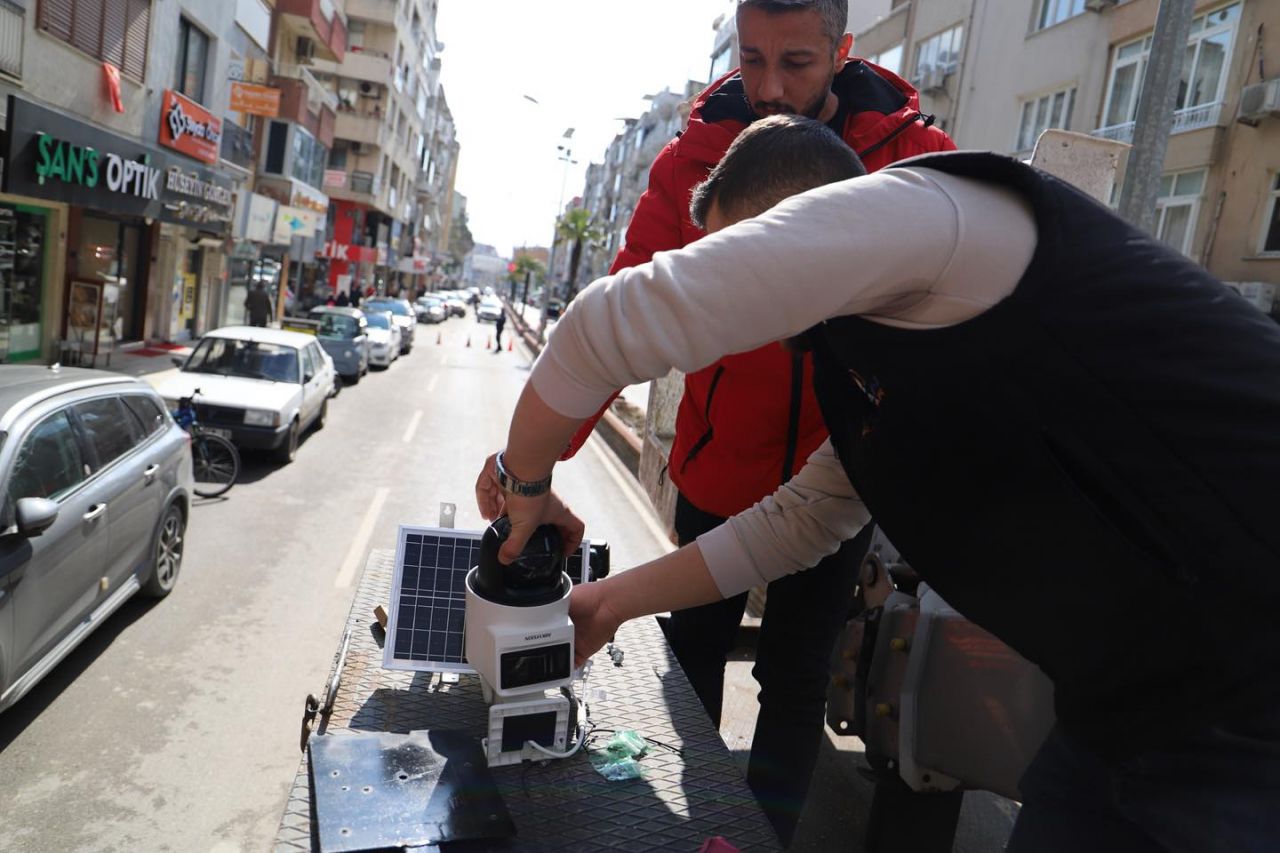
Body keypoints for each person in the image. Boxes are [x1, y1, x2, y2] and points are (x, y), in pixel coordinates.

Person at [476, 116, 1280, 852]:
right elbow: (799, 521)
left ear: (799, 225)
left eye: (732, 254)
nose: (745, 316)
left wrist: (525, 485)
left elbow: (597, 331)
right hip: (1126, 710)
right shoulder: (866, 359)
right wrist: (609, 603)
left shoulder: (937, 222)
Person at [553, 1, 953, 842]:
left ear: (843, 50)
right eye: (751, 58)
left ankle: (761, 837)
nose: (769, 88)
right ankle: (685, 832)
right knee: (687, 661)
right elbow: (615, 323)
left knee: (795, 677)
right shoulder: (689, 160)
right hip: (715, 464)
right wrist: (541, 464)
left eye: (798, 63)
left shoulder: (915, 161)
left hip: (839, 470)